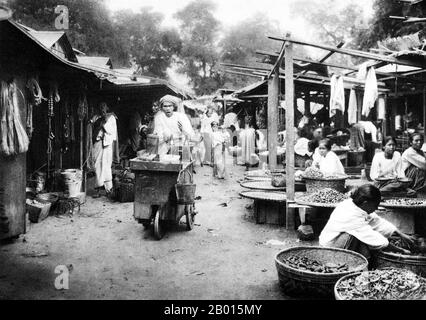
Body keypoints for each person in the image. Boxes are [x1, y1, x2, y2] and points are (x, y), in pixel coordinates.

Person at [319, 184, 416, 262]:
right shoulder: (350, 215)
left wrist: (400, 234)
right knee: (358, 238)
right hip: (330, 246)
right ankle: (340, 262)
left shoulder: (356, 205)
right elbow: (374, 239)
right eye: (375, 205)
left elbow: (377, 221)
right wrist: (401, 251)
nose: (376, 209)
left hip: (341, 237)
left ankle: (365, 262)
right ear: (366, 203)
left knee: (365, 246)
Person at [90, 102, 119, 198]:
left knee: (106, 166)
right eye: (101, 107)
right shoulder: (97, 117)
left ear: (107, 107)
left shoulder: (111, 118)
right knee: (97, 165)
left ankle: (108, 189)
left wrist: (104, 121)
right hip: (98, 143)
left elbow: (111, 131)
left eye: (104, 107)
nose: (102, 109)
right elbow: (91, 124)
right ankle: (98, 188)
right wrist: (96, 121)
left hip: (107, 144)